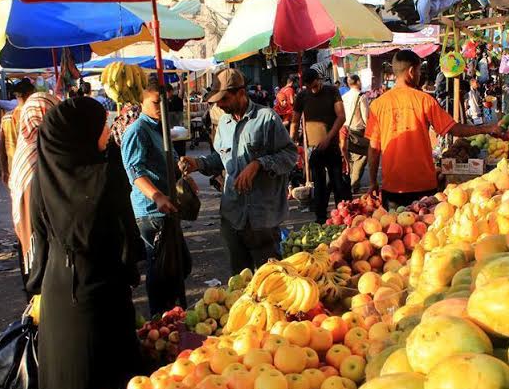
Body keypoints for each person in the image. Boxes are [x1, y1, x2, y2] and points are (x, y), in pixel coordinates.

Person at [26, 97, 143, 389]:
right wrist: (130, 270)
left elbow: (39, 240)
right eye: (101, 125)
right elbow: (127, 235)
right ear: (81, 133)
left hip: (60, 292)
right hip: (103, 291)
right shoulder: (106, 173)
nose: (108, 131)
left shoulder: (42, 177)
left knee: (68, 387)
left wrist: (37, 285)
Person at [179, 69, 297, 274]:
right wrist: (198, 163)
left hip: (262, 218)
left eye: (224, 99)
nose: (219, 105)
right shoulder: (224, 123)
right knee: (240, 279)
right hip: (233, 214)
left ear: (241, 93)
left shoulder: (266, 118)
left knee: (271, 279)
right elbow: (220, 159)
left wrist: (258, 164)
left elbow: (290, 155)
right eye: (217, 101)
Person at [366, 50, 500, 209]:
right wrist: (486, 128)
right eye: (418, 71)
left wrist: (373, 181)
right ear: (411, 71)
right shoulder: (425, 100)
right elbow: (454, 129)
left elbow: (374, 148)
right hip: (422, 186)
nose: (419, 75)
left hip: (392, 186)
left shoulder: (377, 105)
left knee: (396, 224)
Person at [121, 83, 188, 315]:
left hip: (168, 208)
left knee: (177, 266)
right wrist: (157, 196)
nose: (161, 107)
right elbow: (134, 171)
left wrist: (183, 175)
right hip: (151, 211)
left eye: (164, 102)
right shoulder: (137, 130)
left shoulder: (160, 128)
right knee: (160, 270)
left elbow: (171, 162)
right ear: (142, 102)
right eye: (155, 102)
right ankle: (160, 318)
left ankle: (175, 315)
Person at [9, 92, 60, 276]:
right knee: (40, 254)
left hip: (30, 216)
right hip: (37, 211)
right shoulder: (41, 149)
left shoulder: (25, 146)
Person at [290, 68, 350, 224]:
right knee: (319, 184)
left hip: (332, 145)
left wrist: (328, 138)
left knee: (337, 183)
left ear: (320, 79)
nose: (313, 90)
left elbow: (341, 116)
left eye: (315, 86)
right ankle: (321, 218)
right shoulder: (302, 96)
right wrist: (292, 142)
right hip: (313, 148)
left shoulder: (332, 91)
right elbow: (295, 121)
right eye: (309, 87)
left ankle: (342, 217)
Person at [0, 79, 36, 187]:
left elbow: (1, 148)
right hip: (32, 169)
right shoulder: (34, 116)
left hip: (14, 170)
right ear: (30, 94)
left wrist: (4, 170)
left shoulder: (6, 118)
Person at [339, 74, 370, 194]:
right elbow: (366, 118)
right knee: (361, 158)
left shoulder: (344, 97)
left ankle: (349, 184)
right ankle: (353, 185)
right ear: (357, 82)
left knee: (350, 159)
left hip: (345, 130)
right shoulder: (361, 97)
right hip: (358, 131)